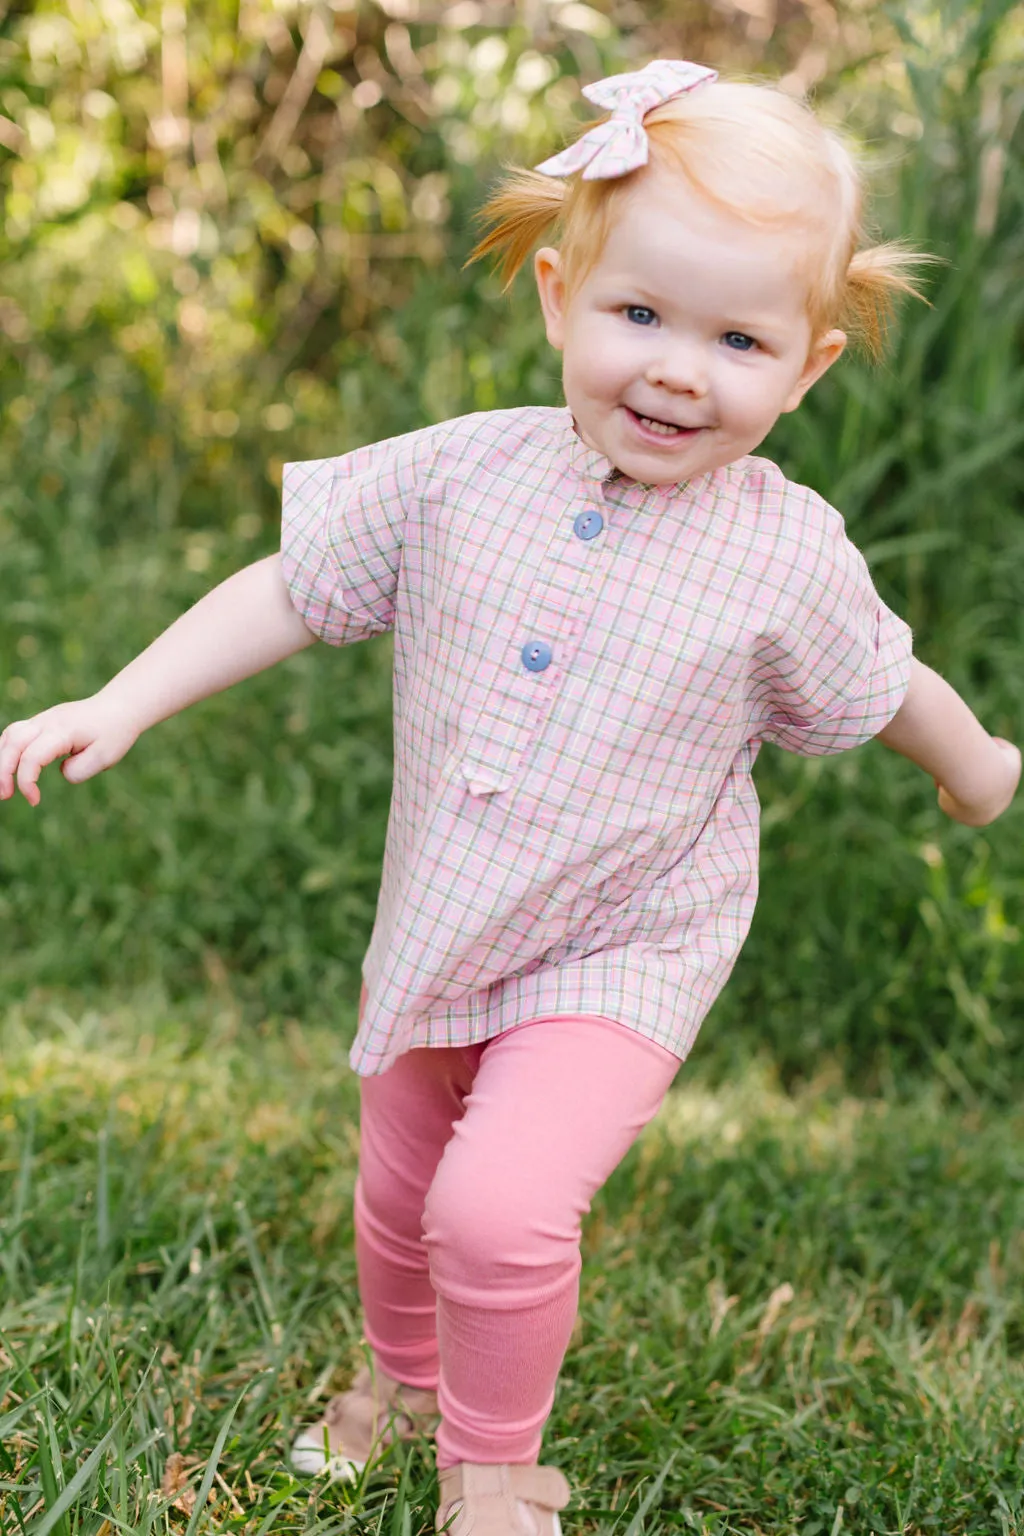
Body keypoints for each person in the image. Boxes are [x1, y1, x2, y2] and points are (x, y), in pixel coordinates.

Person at [1, 57, 1019, 1536]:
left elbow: (890, 678)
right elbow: (292, 584)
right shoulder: (461, 474)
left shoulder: (787, 555)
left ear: (806, 368)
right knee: (404, 1186)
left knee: (495, 1207)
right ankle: (399, 1380)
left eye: (739, 338)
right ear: (560, 297)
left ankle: (494, 1471)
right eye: (641, 315)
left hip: (631, 939)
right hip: (447, 912)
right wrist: (120, 700)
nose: (678, 368)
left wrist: (980, 768)